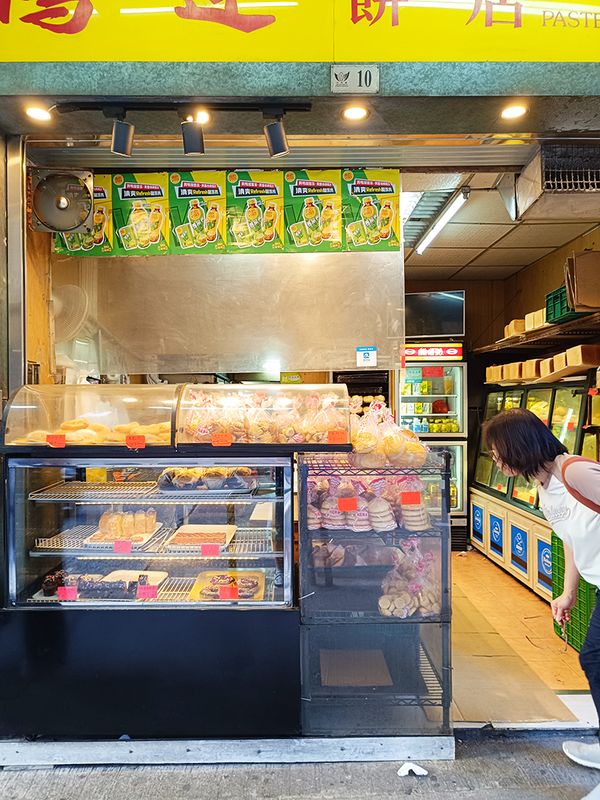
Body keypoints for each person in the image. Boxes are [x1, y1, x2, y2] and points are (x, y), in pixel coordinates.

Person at [484, 408, 600, 777]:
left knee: (595, 658)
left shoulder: (574, 472)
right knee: (595, 658)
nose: (495, 460)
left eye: (498, 452)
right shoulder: (544, 486)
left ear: (518, 446)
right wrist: (568, 592)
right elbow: (570, 539)